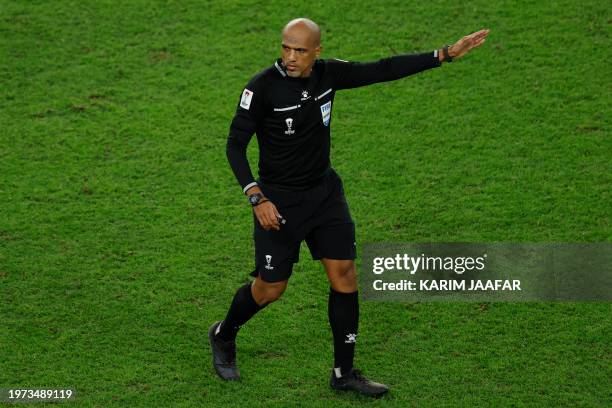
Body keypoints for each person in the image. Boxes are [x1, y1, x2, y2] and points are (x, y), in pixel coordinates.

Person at [210, 17, 489, 397]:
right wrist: (256, 196)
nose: (291, 57)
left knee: (345, 276)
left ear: (316, 52)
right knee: (270, 290)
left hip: (324, 194)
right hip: (279, 202)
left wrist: (443, 55)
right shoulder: (262, 89)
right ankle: (224, 334)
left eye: (300, 50)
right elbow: (234, 145)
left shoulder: (328, 74)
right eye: (286, 47)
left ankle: (344, 372)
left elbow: (382, 69)